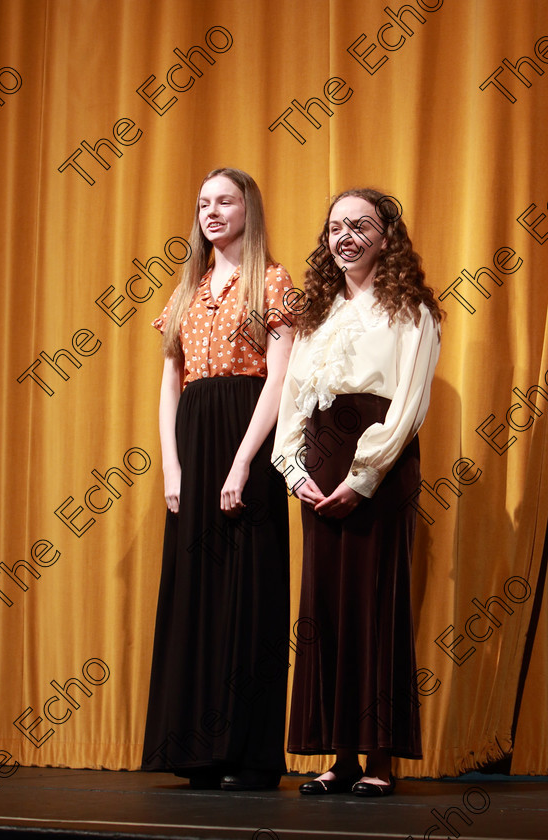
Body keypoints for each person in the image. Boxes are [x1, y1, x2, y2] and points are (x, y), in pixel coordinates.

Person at [272, 188, 442, 796]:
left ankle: (379, 761)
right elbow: (292, 398)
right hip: (319, 462)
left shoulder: (413, 311)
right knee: (325, 608)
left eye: (361, 226)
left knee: (375, 604)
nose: (345, 236)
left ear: (386, 236)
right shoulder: (314, 313)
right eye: (336, 226)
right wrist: (294, 469)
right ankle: (341, 757)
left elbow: (409, 405)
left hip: (379, 465)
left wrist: (362, 477)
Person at [142, 168, 294, 791]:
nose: (212, 211)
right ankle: (196, 748)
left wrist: (241, 462)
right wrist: (172, 465)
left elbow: (279, 380)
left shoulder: (274, 281)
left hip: (248, 438)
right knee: (195, 591)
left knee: (247, 588)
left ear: (248, 209)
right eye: (203, 201)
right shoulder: (186, 290)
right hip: (194, 441)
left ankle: (247, 752)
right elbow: (169, 384)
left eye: (225, 200)